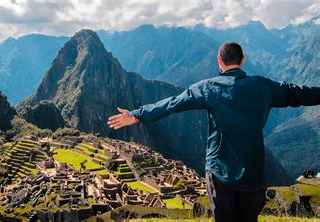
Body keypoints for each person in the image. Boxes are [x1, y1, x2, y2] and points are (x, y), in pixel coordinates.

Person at [107, 42, 320, 222]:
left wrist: (136, 114)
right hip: (253, 173)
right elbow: (298, 93)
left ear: (219, 62)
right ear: (243, 59)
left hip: (220, 173)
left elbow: (172, 104)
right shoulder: (263, 86)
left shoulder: (207, 88)